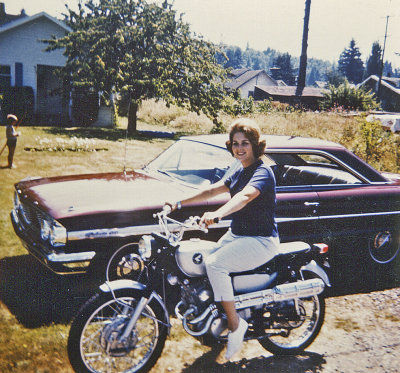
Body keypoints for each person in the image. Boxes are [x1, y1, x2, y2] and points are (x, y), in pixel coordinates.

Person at [166, 118, 279, 360]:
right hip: (239, 235)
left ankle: (237, 326)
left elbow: (245, 197)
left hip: (261, 240)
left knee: (215, 264)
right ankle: (221, 317)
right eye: (235, 143)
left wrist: (217, 214)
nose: (239, 148)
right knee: (205, 263)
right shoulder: (239, 167)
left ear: (256, 145)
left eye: (245, 143)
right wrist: (178, 202)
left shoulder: (262, 172)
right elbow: (213, 189)